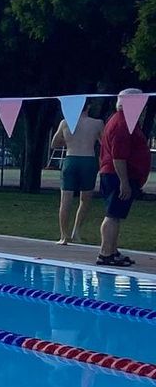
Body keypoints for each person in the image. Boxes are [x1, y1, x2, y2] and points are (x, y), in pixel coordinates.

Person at [95, 89, 150, 268]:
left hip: (116, 173)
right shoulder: (122, 124)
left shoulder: (123, 121)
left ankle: (112, 250)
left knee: (116, 215)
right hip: (117, 175)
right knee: (112, 214)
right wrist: (124, 182)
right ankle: (105, 253)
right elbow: (118, 157)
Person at [52, 100, 105, 246]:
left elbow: (54, 144)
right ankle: (76, 231)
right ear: (88, 107)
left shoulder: (65, 123)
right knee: (85, 199)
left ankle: (64, 236)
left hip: (71, 159)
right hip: (88, 160)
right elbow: (105, 143)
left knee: (65, 199)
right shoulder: (97, 123)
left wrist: (69, 143)